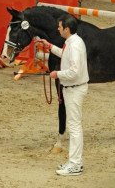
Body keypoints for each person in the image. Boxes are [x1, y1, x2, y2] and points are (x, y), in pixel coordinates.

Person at [39, 14, 89, 176]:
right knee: (74, 126)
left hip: (74, 88)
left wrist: (57, 74)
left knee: (74, 127)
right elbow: (65, 55)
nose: (58, 29)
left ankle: (75, 164)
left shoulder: (74, 45)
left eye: (60, 27)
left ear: (67, 29)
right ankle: (74, 161)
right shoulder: (73, 42)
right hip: (72, 88)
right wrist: (50, 47)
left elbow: (74, 71)